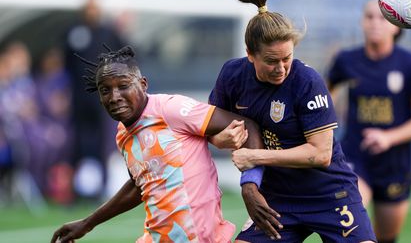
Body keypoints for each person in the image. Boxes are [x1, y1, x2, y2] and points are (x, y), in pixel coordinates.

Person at [208, 0, 376, 242]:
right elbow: (212, 130)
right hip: (278, 200)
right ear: (250, 54)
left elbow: (320, 154)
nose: (282, 68)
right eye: (272, 61)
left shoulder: (307, 82)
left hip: (330, 195)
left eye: (287, 58)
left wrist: (255, 156)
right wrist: (221, 140)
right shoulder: (232, 75)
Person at [51, 45, 264, 243]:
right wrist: (87, 223)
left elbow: (248, 126)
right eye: (105, 90)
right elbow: (139, 185)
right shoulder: (122, 135)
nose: (114, 97)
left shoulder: (171, 109)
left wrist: (251, 187)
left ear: (143, 84)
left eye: (123, 86)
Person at [326, 0, 411, 243]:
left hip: (394, 163)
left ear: (397, 26)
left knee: (386, 236)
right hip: (355, 156)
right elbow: (322, 98)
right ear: (361, 22)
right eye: (369, 17)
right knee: (352, 226)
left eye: (382, 18)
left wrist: (388, 137)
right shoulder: (346, 60)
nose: (375, 23)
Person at [63, 0, 127, 199]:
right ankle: (76, 191)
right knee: (77, 145)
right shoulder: (73, 31)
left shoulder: (109, 32)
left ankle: (102, 189)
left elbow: (125, 58)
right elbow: (66, 64)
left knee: (103, 145)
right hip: (78, 99)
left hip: (102, 99)